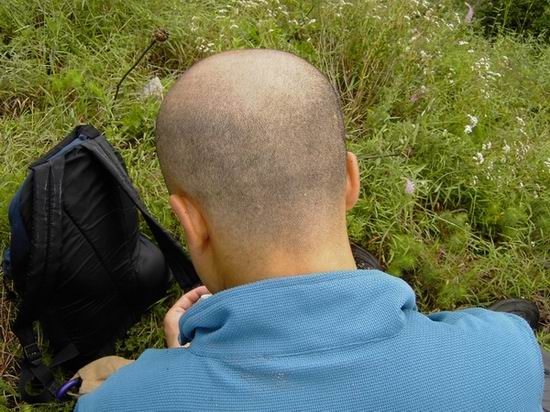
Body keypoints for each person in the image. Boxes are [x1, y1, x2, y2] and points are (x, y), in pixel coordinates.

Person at [75, 49, 546, 411]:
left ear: (191, 221)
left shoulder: (118, 403)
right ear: (350, 180)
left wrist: (176, 368)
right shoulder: (506, 350)